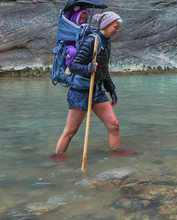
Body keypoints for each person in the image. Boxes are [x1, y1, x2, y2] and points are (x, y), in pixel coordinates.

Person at [53, 11, 134, 158]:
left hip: (96, 90)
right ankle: (57, 158)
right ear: (106, 25)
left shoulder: (106, 42)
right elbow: (74, 66)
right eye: (115, 27)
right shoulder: (91, 41)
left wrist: (111, 90)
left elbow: (104, 70)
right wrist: (87, 68)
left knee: (114, 125)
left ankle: (117, 154)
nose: (117, 30)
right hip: (80, 91)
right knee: (70, 131)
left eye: (118, 28)